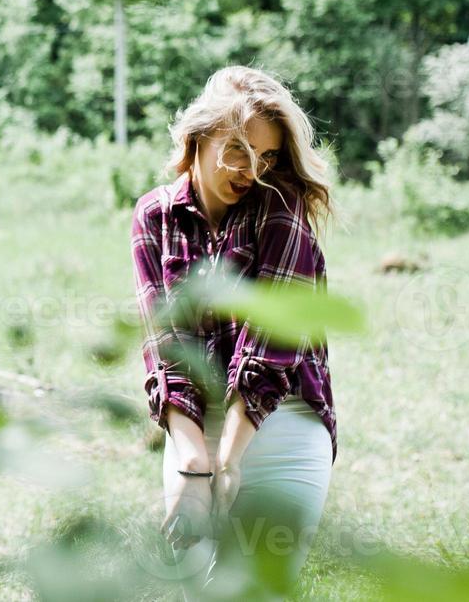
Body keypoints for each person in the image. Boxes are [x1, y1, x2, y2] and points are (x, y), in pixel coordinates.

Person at [130, 66, 338, 597]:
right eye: (239, 149)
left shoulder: (280, 212)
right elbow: (166, 345)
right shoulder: (155, 216)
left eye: (266, 156)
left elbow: (270, 348)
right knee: (193, 591)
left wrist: (230, 461)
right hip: (194, 426)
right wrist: (195, 463)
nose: (252, 170)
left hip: (280, 422)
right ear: (199, 136)